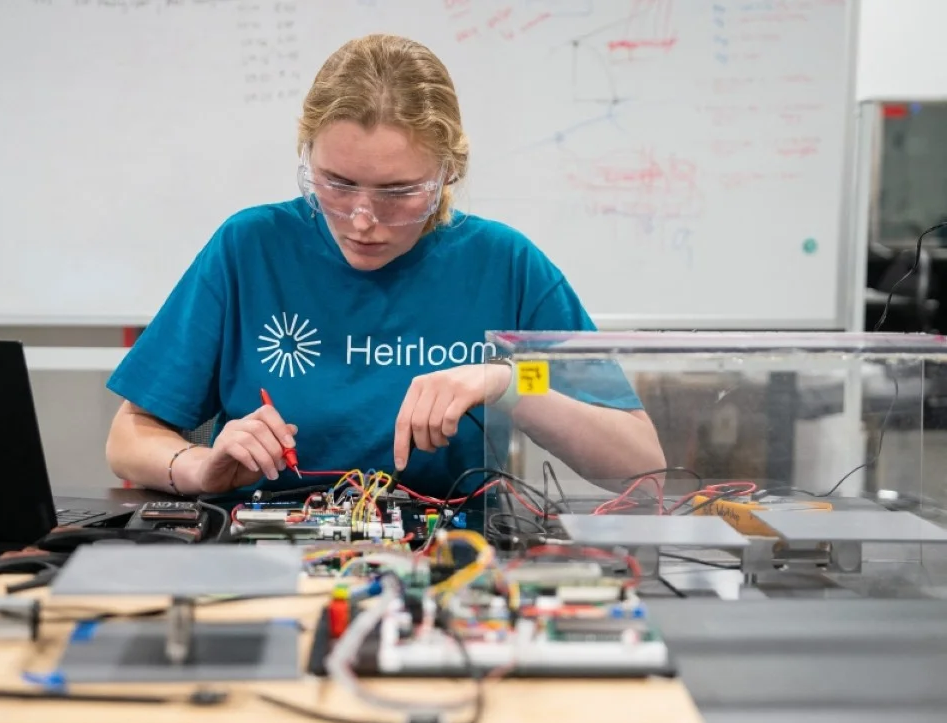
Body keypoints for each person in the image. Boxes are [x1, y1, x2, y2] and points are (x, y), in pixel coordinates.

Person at [105, 33, 666, 500]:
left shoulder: (505, 265)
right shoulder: (250, 248)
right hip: (264, 562)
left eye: (398, 192)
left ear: (447, 174)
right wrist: (200, 466)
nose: (362, 220)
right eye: (337, 184)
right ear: (308, 154)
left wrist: (511, 383)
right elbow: (129, 436)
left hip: (450, 572)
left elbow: (641, 463)